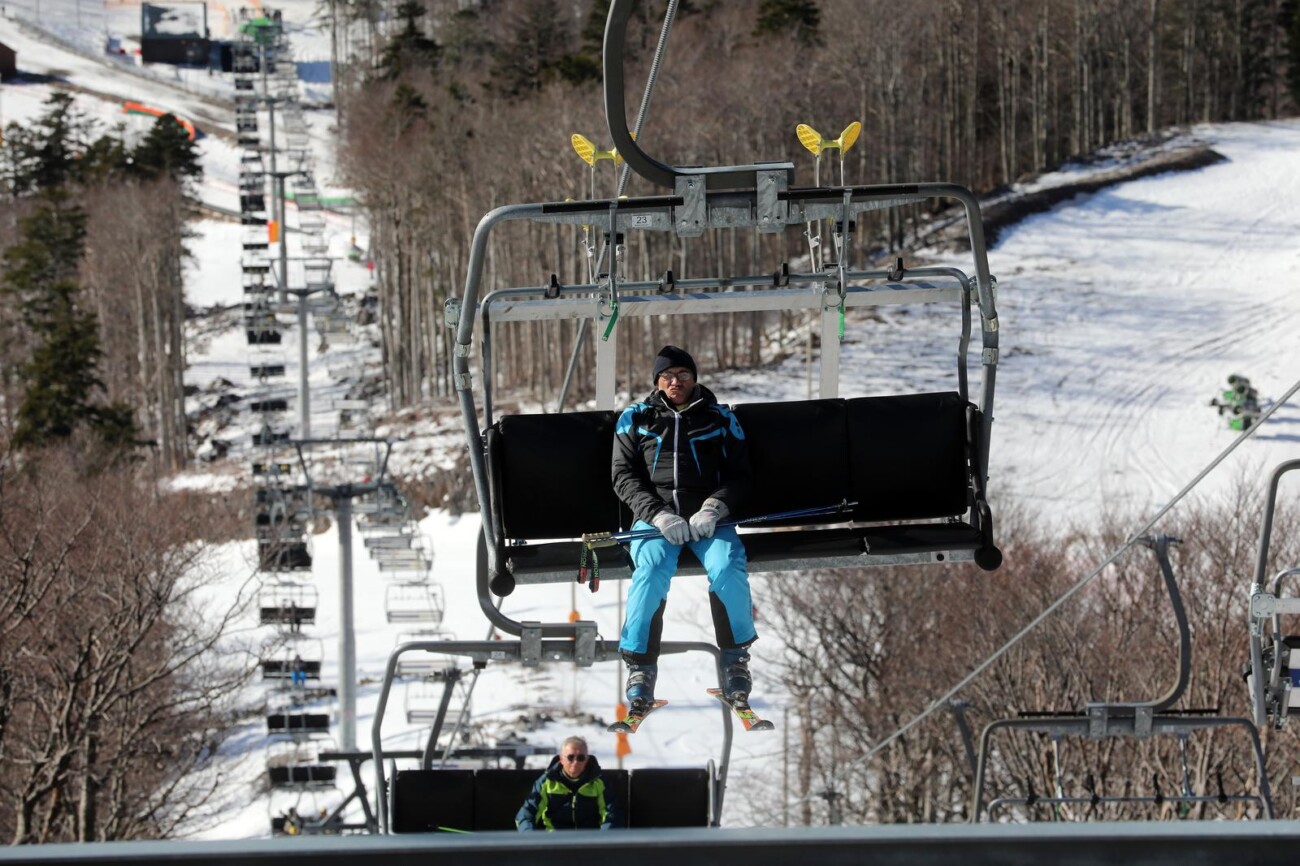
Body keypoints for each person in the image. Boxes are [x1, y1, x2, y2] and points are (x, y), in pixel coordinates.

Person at [612, 345, 756, 711]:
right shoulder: (636, 418)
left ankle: (735, 657)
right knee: (651, 569)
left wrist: (715, 507)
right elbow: (623, 475)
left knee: (728, 564)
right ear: (657, 381)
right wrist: (658, 515)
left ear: (695, 379)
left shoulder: (721, 418)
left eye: (683, 376)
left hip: (709, 518)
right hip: (656, 519)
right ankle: (641, 666)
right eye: (668, 376)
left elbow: (741, 475)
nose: (675, 382)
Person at [516, 736, 623, 831]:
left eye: (580, 758)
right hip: (556, 843)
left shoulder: (599, 782)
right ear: (561, 759)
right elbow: (526, 814)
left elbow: (612, 815)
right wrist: (531, 839)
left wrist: (603, 842)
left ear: (587, 760)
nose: (575, 762)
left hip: (590, 843)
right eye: (570, 757)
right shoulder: (546, 782)